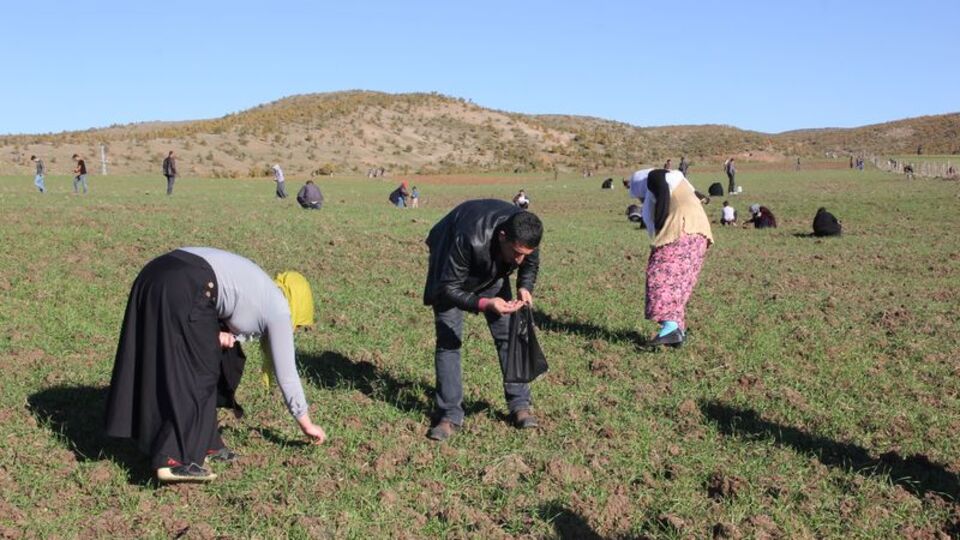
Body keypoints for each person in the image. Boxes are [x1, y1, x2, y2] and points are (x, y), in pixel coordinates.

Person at [104, 247, 326, 483]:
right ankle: (174, 458)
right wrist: (306, 423)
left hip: (157, 273)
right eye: (299, 324)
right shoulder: (280, 309)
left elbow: (223, 308)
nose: (295, 330)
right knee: (199, 371)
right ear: (298, 305)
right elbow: (287, 374)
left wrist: (219, 333)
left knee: (214, 360)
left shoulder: (263, 289)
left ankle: (206, 442)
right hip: (189, 283)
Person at [422, 200, 543, 441]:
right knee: (449, 341)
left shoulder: (526, 232)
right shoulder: (467, 238)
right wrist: (485, 303)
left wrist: (524, 287)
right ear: (502, 237)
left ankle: (520, 405)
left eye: (525, 254)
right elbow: (448, 288)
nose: (520, 260)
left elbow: (530, 262)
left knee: (509, 335)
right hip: (450, 270)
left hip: (492, 268)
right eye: (516, 254)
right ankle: (449, 414)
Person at [628, 168, 714, 348]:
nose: (642, 200)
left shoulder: (656, 177)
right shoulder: (677, 182)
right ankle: (676, 330)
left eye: (640, 196)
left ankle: (671, 327)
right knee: (680, 280)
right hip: (699, 232)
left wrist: (660, 223)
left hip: (681, 228)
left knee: (661, 273)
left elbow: (659, 179)